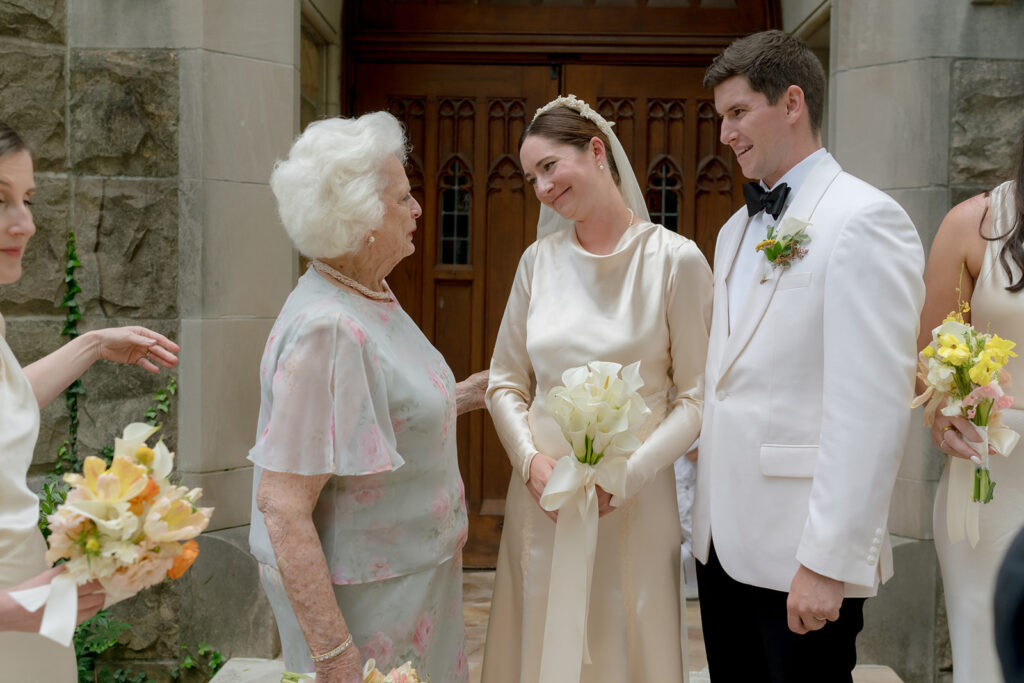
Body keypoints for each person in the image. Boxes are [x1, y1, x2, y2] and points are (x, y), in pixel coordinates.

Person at [692, 30, 925, 682]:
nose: (725, 134)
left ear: (792, 101)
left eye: (738, 113)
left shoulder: (864, 219)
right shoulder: (734, 231)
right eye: (720, 119)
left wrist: (829, 561)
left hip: (802, 556)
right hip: (720, 548)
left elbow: (872, 407)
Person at [249, 112, 486, 683]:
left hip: (411, 583)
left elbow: (365, 423)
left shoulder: (364, 295)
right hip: (367, 605)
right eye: (403, 197)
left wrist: (463, 396)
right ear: (362, 219)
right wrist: (336, 659)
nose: (418, 209)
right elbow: (282, 506)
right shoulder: (329, 328)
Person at [482, 95, 712, 683]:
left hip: (635, 501)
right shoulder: (537, 262)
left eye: (550, 166)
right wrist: (530, 462)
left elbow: (696, 397)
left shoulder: (674, 261)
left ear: (596, 150)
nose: (541, 186)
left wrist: (627, 477)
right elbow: (506, 382)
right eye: (532, 176)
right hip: (543, 502)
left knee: (628, 641)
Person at [0, 122, 180, 681]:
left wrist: (94, 344)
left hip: (25, 593)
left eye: (27, 199)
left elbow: (7, 405)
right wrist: (12, 611)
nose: (25, 224)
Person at [921, 130, 1024, 682]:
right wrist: (943, 414)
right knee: (986, 650)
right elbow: (928, 357)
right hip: (994, 474)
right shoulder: (973, 224)